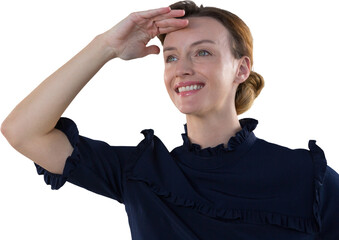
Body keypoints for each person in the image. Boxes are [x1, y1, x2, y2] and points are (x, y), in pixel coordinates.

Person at [1, 1, 339, 239]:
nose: (182, 68)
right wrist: (106, 46)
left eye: (203, 52)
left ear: (241, 68)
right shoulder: (141, 173)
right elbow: (22, 132)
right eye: (171, 57)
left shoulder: (310, 178)